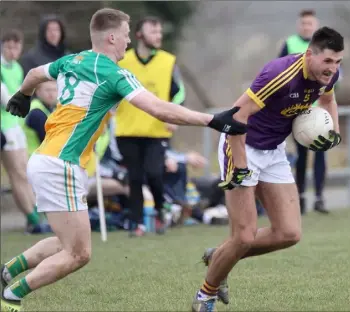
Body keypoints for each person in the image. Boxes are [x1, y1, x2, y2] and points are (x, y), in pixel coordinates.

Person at [0, 8, 247, 312]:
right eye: (127, 35)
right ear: (112, 37)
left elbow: (35, 74)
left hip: (50, 161)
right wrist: (212, 119)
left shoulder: (72, 59)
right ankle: (12, 296)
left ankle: (7, 271)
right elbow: (158, 109)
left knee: (67, 243)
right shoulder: (114, 73)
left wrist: (22, 95)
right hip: (59, 164)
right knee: (79, 254)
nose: (129, 41)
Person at [191, 26, 344, 312]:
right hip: (241, 143)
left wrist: (334, 131)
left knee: (289, 233)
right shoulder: (279, 73)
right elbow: (235, 116)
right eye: (327, 61)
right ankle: (205, 295)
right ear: (310, 54)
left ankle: (220, 258)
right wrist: (240, 165)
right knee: (244, 235)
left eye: (338, 62)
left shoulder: (329, 75)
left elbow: (328, 99)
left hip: (273, 150)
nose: (332, 69)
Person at [115, 16, 186, 236]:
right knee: (135, 178)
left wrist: (173, 116)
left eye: (160, 32)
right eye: (153, 32)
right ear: (138, 35)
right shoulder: (122, 61)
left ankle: (160, 209)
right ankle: (137, 223)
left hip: (157, 132)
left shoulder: (168, 61)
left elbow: (180, 93)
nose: (158, 36)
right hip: (127, 130)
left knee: (155, 173)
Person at [279, 9, 329, 214]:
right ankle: (300, 197)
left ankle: (319, 197)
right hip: (298, 111)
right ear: (299, 25)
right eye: (304, 24)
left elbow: (334, 73)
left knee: (320, 154)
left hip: (319, 111)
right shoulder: (289, 44)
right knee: (301, 155)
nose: (307, 27)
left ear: (315, 25)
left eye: (310, 24)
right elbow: (279, 72)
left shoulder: (325, 46)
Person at [1, 29, 51, 234]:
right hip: (5, 126)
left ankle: (35, 215)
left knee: (24, 172)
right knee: (17, 174)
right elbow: (6, 100)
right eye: (9, 47)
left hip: (17, 126)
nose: (13, 51)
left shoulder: (18, 69)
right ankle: (33, 218)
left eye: (16, 47)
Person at [22, 81, 57, 156]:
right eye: (48, 90)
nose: (51, 94)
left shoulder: (51, 109)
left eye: (55, 90)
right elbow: (49, 141)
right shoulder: (36, 112)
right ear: (38, 92)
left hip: (42, 157)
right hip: (36, 158)